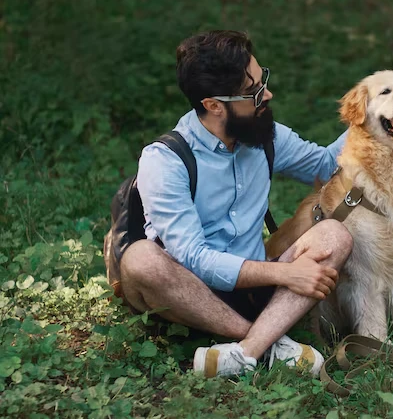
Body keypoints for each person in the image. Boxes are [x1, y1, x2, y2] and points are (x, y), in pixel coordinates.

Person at [117, 30, 353, 378]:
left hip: (254, 287)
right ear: (213, 105)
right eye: (253, 91)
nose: (267, 95)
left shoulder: (264, 135)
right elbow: (193, 258)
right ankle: (269, 342)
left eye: (263, 81)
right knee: (141, 260)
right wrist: (285, 273)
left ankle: (245, 352)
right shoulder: (165, 161)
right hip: (187, 290)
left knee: (333, 235)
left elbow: (325, 165)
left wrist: (377, 107)